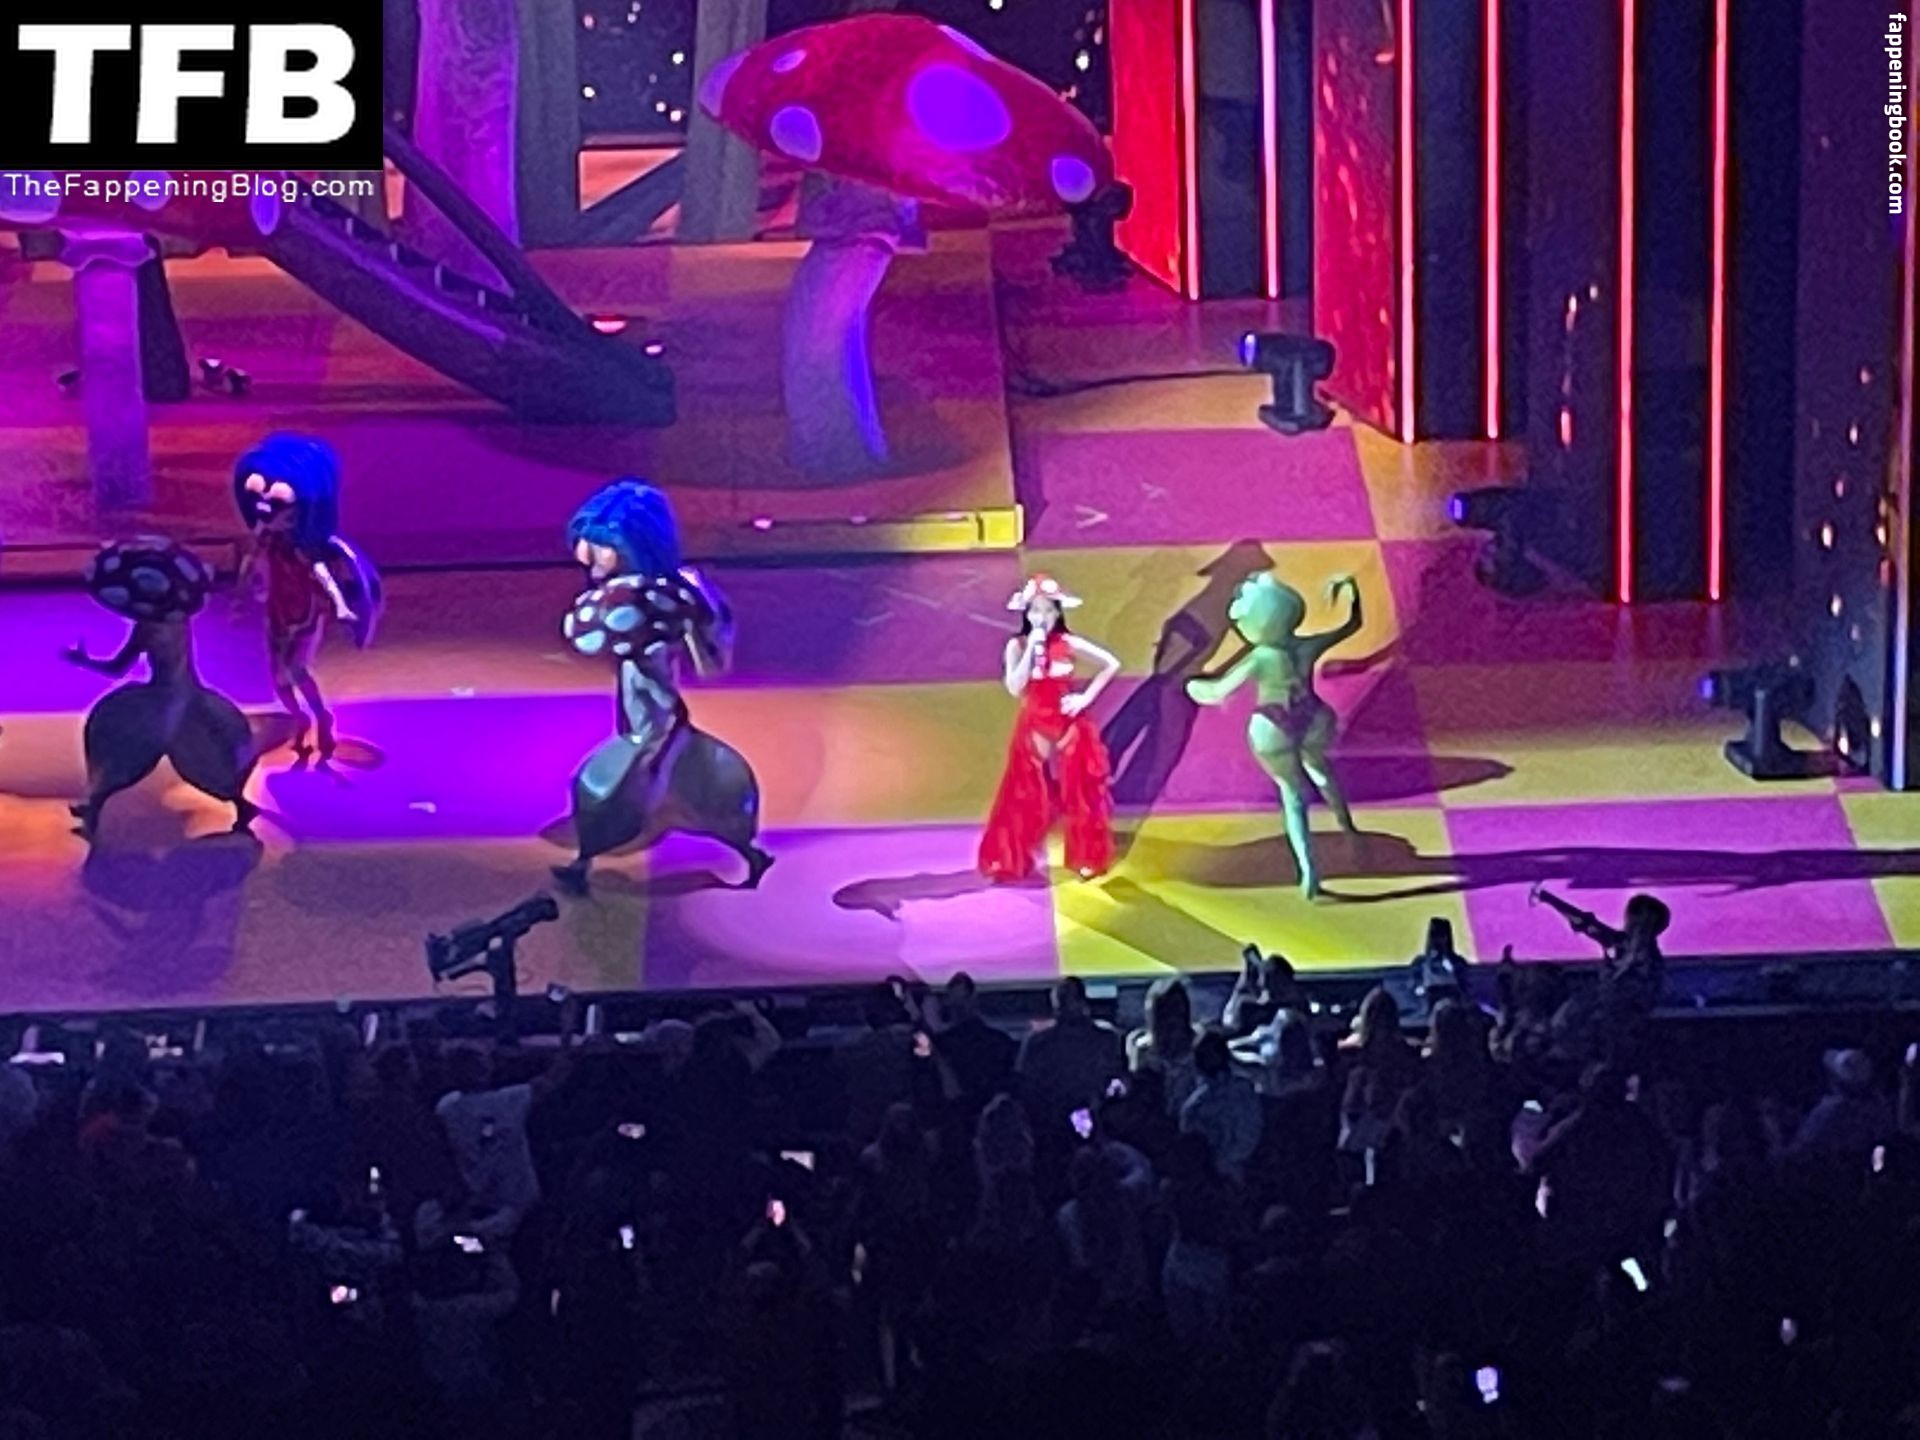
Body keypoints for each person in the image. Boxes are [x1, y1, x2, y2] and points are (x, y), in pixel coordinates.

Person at [552, 480, 771, 892]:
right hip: (639, 705)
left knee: (621, 782)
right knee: (643, 775)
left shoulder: (675, 596)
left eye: (602, 547)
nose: (590, 558)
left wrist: (696, 618)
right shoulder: (623, 596)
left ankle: (586, 859)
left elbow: (710, 663)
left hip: (657, 714)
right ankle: (593, 851)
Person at [64, 538, 258, 838]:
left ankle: (95, 805)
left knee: (119, 748)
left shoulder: (148, 628)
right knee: (197, 755)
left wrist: (84, 661)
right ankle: (94, 805)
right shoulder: (178, 622)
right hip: (187, 692)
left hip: (164, 700)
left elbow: (117, 667)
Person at [1185, 572, 1362, 898]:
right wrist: (1350, 590)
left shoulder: (1261, 657)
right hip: (1313, 719)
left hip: (1274, 727)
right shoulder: (1307, 645)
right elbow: (1352, 625)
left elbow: (1217, 692)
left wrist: (1191, 686)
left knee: (1292, 796)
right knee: (1321, 771)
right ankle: (1349, 830)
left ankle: (1309, 872)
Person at [232, 433, 380, 762]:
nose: (264, 509)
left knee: (296, 670)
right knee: (278, 679)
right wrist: (241, 596)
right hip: (277, 612)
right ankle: (301, 718)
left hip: (304, 614)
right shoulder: (267, 538)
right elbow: (250, 564)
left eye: (279, 503)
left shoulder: (303, 548)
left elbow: (322, 575)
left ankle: (322, 718)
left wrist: (341, 606)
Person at [979, 574, 1120, 881]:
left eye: (1048, 610)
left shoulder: (1068, 643)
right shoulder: (1016, 645)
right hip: (1035, 723)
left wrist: (1085, 698)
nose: (1042, 616)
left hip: (1068, 722)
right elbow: (1015, 687)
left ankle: (1087, 856)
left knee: (1080, 789)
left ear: (1058, 613)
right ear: (1026, 614)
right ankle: (1009, 858)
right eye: (1035, 610)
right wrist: (1032, 648)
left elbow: (1111, 663)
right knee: (1023, 789)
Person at [1016, 977, 1125, 1136]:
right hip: (1050, 1124)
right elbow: (1025, 1085)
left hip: (1094, 1119)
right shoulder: (1038, 1042)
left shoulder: (1106, 1038)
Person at [1127, 976, 1201, 1112]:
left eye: (1175, 1012)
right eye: (1164, 1015)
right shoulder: (1143, 1051)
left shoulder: (1200, 1046)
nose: (1171, 1021)